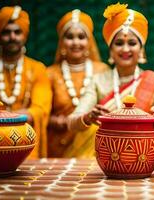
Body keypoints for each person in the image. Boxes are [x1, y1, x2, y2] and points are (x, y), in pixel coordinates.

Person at [67, 3, 154, 158]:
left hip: (144, 159)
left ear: (141, 49)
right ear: (111, 50)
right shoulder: (98, 81)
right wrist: (87, 117)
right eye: (119, 43)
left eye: (132, 43)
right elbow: (72, 122)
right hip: (106, 159)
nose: (125, 49)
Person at [47, 9, 109, 157]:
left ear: (89, 41)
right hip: (58, 147)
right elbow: (42, 113)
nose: (76, 42)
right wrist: (58, 121)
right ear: (62, 41)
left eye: (81, 37)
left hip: (94, 146)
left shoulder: (102, 70)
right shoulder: (50, 73)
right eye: (70, 37)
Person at [0, 6, 52, 158]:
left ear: (24, 36)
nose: (12, 37)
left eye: (17, 32)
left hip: (27, 145)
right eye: (6, 32)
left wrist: (7, 118)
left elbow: (40, 109)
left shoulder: (37, 69)